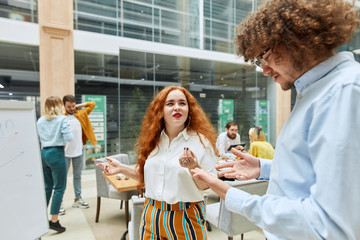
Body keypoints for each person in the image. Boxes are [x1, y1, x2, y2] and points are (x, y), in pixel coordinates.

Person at [191, 0, 360, 239]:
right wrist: (265, 168)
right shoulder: (315, 93)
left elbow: (330, 225)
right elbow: (314, 171)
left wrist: (233, 196)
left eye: (265, 56)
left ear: (297, 40)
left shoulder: (344, 92)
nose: (265, 69)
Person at [97, 86, 217, 239]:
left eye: (182, 103)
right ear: (160, 110)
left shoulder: (201, 142)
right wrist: (121, 168)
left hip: (186, 216)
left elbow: (207, 185)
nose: (177, 107)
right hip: (152, 213)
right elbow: (148, 178)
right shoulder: (153, 140)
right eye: (170, 103)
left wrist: (194, 167)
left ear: (189, 109)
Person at [37, 96, 73, 233]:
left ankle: (41, 219)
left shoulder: (40, 120)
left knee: (47, 187)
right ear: (59, 106)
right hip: (56, 153)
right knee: (59, 187)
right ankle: (54, 221)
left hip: (44, 153)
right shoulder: (62, 119)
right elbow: (69, 137)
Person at [61, 94, 97, 213]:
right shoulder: (61, 117)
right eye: (69, 106)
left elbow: (92, 104)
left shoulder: (80, 114)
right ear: (64, 106)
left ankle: (77, 199)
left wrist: (78, 106)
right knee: (62, 178)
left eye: (73, 106)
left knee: (77, 176)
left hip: (78, 151)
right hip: (64, 153)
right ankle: (59, 202)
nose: (71, 108)